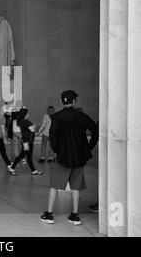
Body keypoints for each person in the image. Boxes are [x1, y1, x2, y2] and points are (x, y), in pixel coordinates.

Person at [41, 90, 98, 226]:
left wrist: (57, 151)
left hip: (61, 157)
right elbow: (95, 130)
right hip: (78, 158)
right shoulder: (82, 116)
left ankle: (49, 214)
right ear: (74, 101)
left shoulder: (57, 117)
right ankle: (75, 215)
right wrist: (88, 147)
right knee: (76, 188)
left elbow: (53, 137)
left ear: (62, 102)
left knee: (54, 186)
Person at [9, 108, 43, 176]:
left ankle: (33, 171)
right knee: (22, 155)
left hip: (26, 141)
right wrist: (34, 126)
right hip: (27, 142)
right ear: (24, 114)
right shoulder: (26, 121)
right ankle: (11, 168)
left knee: (28, 156)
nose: (28, 114)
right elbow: (32, 130)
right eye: (27, 113)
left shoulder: (22, 121)